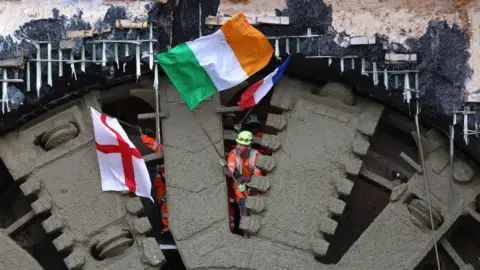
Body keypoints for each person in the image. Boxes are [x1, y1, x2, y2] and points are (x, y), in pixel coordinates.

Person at [220, 131, 263, 216]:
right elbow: (230, 174)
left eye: (242, 145)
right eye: (238, 143)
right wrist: (225, 166)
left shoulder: (256, 156)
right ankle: (244, 217)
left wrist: (247, 185)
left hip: (254, 182)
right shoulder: (233, 154)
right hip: (240, 181)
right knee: (242, 199)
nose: (238, 147)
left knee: (256, 202)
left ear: (249, 146)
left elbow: (258, 179)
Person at [153, 164, 169, 233]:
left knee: (163, 208)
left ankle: (166, 226)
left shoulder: (164, 166)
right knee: (163, 208)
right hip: (161, 186)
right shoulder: (165, 166)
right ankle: (166, 226)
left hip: (160, 186)